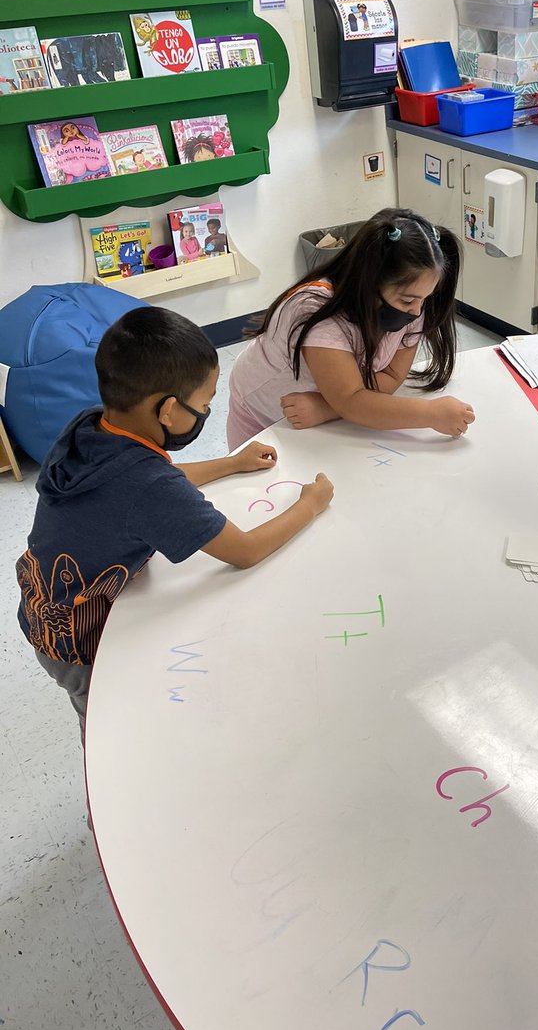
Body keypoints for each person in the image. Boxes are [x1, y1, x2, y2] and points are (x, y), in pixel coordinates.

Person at [15, 306, 333, 746]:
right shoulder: (147, 486)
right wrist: (310, 506)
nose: (205, 413)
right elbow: (244, 551)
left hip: (41, 603)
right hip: (80, 645)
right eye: (203, 405)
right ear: (167, 410)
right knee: (109, 737)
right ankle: (105, 810)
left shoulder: (90, 425)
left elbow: (152, 481)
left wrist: (230, 463)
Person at [227, 208, 474, 449]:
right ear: (368, 282)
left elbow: (390, 376)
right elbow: (352, 400)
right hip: (264, 412)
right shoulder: (317, 312)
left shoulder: (410, 305)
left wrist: (328, 407)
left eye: (425, 299)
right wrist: (431, 414)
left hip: (319, 413)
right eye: (408, 300)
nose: (417, 312)